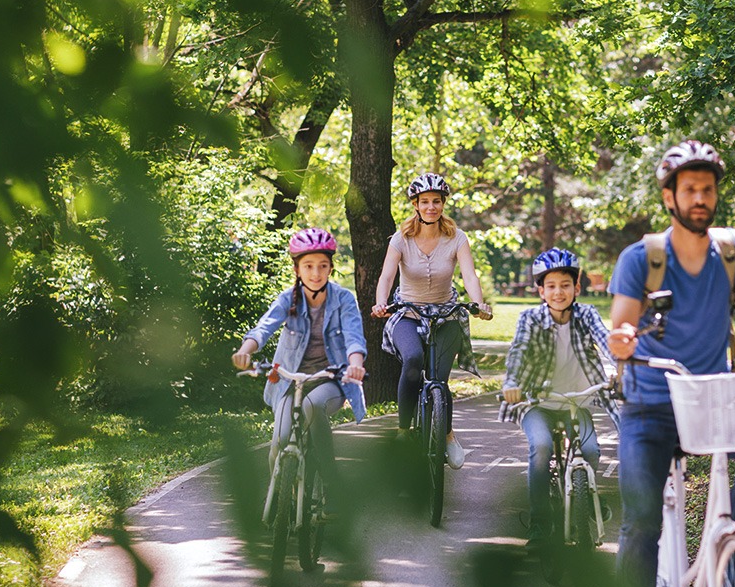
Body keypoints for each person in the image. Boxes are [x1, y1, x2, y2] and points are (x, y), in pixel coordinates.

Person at [607, 140, 735, 587]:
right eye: (690, 189)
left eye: (708, 190)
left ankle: (730, 539)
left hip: (710, 399)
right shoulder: (643, 258)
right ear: (669, 197)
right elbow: (622, 328)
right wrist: (622, 341)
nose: (700, 199)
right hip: (651, 404)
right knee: (640, 526)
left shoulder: (732, 249)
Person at [232, 228, 367, 513]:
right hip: (290, 381)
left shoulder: (343, 299)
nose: (315, 273)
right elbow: (264, 327)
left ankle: (329, 481)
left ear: (331, 267)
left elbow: (355, 336)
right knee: (278, 444)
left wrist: (355, 364)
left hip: (330, 380)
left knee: (313, 406)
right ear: (297, 269)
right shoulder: (287, 299)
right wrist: (246, 350)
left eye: (322, 266)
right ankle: (285, 499)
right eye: (308, 266)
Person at [371, 172, 493, 469]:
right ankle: (402, 431)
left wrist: (477, 304)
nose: (430, 207)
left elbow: (469, 275)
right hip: (408, 313)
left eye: (436, 202)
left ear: (442, 204)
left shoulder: (456, 238)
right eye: (424, 201)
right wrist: (381, 302)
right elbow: (387, 276)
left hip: (446, 314)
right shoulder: (401, 239)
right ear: (415, 204)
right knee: (413, 359)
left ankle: (448, 435)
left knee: (439, 377)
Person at [500, 248, 619, 549]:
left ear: (577, 288)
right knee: (540, 447)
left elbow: (606, 342)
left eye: (565, 285)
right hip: (538, 403)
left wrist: (621, 369)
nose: (558, 292)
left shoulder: (587, 314)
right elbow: (518, 351)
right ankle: (539, 523)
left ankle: (586, 494)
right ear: (540, 290)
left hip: (576, 402)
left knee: (591, 451)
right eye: (550, 286)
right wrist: (513, 381)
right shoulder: (530, 318)